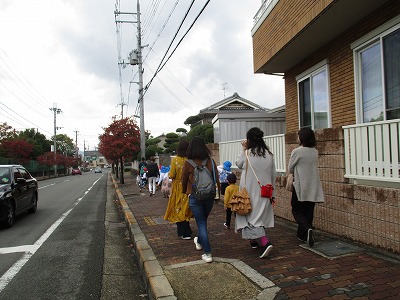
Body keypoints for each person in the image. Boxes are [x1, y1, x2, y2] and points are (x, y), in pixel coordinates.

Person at [235, 127, 276, 259]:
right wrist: (272, 194)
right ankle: (253, 241)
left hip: (249, 193)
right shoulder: (269, 154)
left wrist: (243, 149)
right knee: (258, 217)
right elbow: (273, 174)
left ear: (249, 140)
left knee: (250, 218)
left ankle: (265, 242)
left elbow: (239, 164)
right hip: (265, 191)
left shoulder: (247, 153)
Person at [181, 136, 220, 263]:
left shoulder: (188, 163)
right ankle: (198, 240)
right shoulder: (210, 161)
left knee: (201, 223)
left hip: (195, 197)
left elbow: (183, 180)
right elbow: (216, 179)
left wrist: (184, 191)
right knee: (203, 221)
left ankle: (207, 253)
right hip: (209, 196)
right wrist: (217, 195)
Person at [288, 128, 324, 247]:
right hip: (313, 184)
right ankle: (303, 235)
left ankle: (307, 228)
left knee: (296, 210)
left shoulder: (297, 151)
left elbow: (290, 168)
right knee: (308, 211)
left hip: (300, 184)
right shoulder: (314, 151)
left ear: (302, 138)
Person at [164, 140, 193, 240]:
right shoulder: (189, 159)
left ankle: (184, 232)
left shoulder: (175, 160)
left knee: (178, 208)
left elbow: (172, 175)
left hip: (178, 188)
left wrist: (168, 175)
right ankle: (186, 231)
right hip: (188, 187)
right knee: (186, 208)